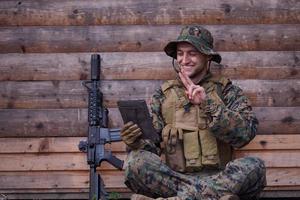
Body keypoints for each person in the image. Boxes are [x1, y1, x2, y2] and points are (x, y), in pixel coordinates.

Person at [120, 25, 266, 200]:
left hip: (220, 177)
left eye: (192, 53)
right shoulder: (164, 94)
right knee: (134, 161)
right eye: (180, 53)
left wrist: (207, 104)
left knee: (255, 167)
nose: (184, 59)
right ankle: (206, 196)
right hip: (176, 180)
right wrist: (135, 143)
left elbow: (245, 134)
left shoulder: (227, 91)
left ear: (208, 56)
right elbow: (153, 145)